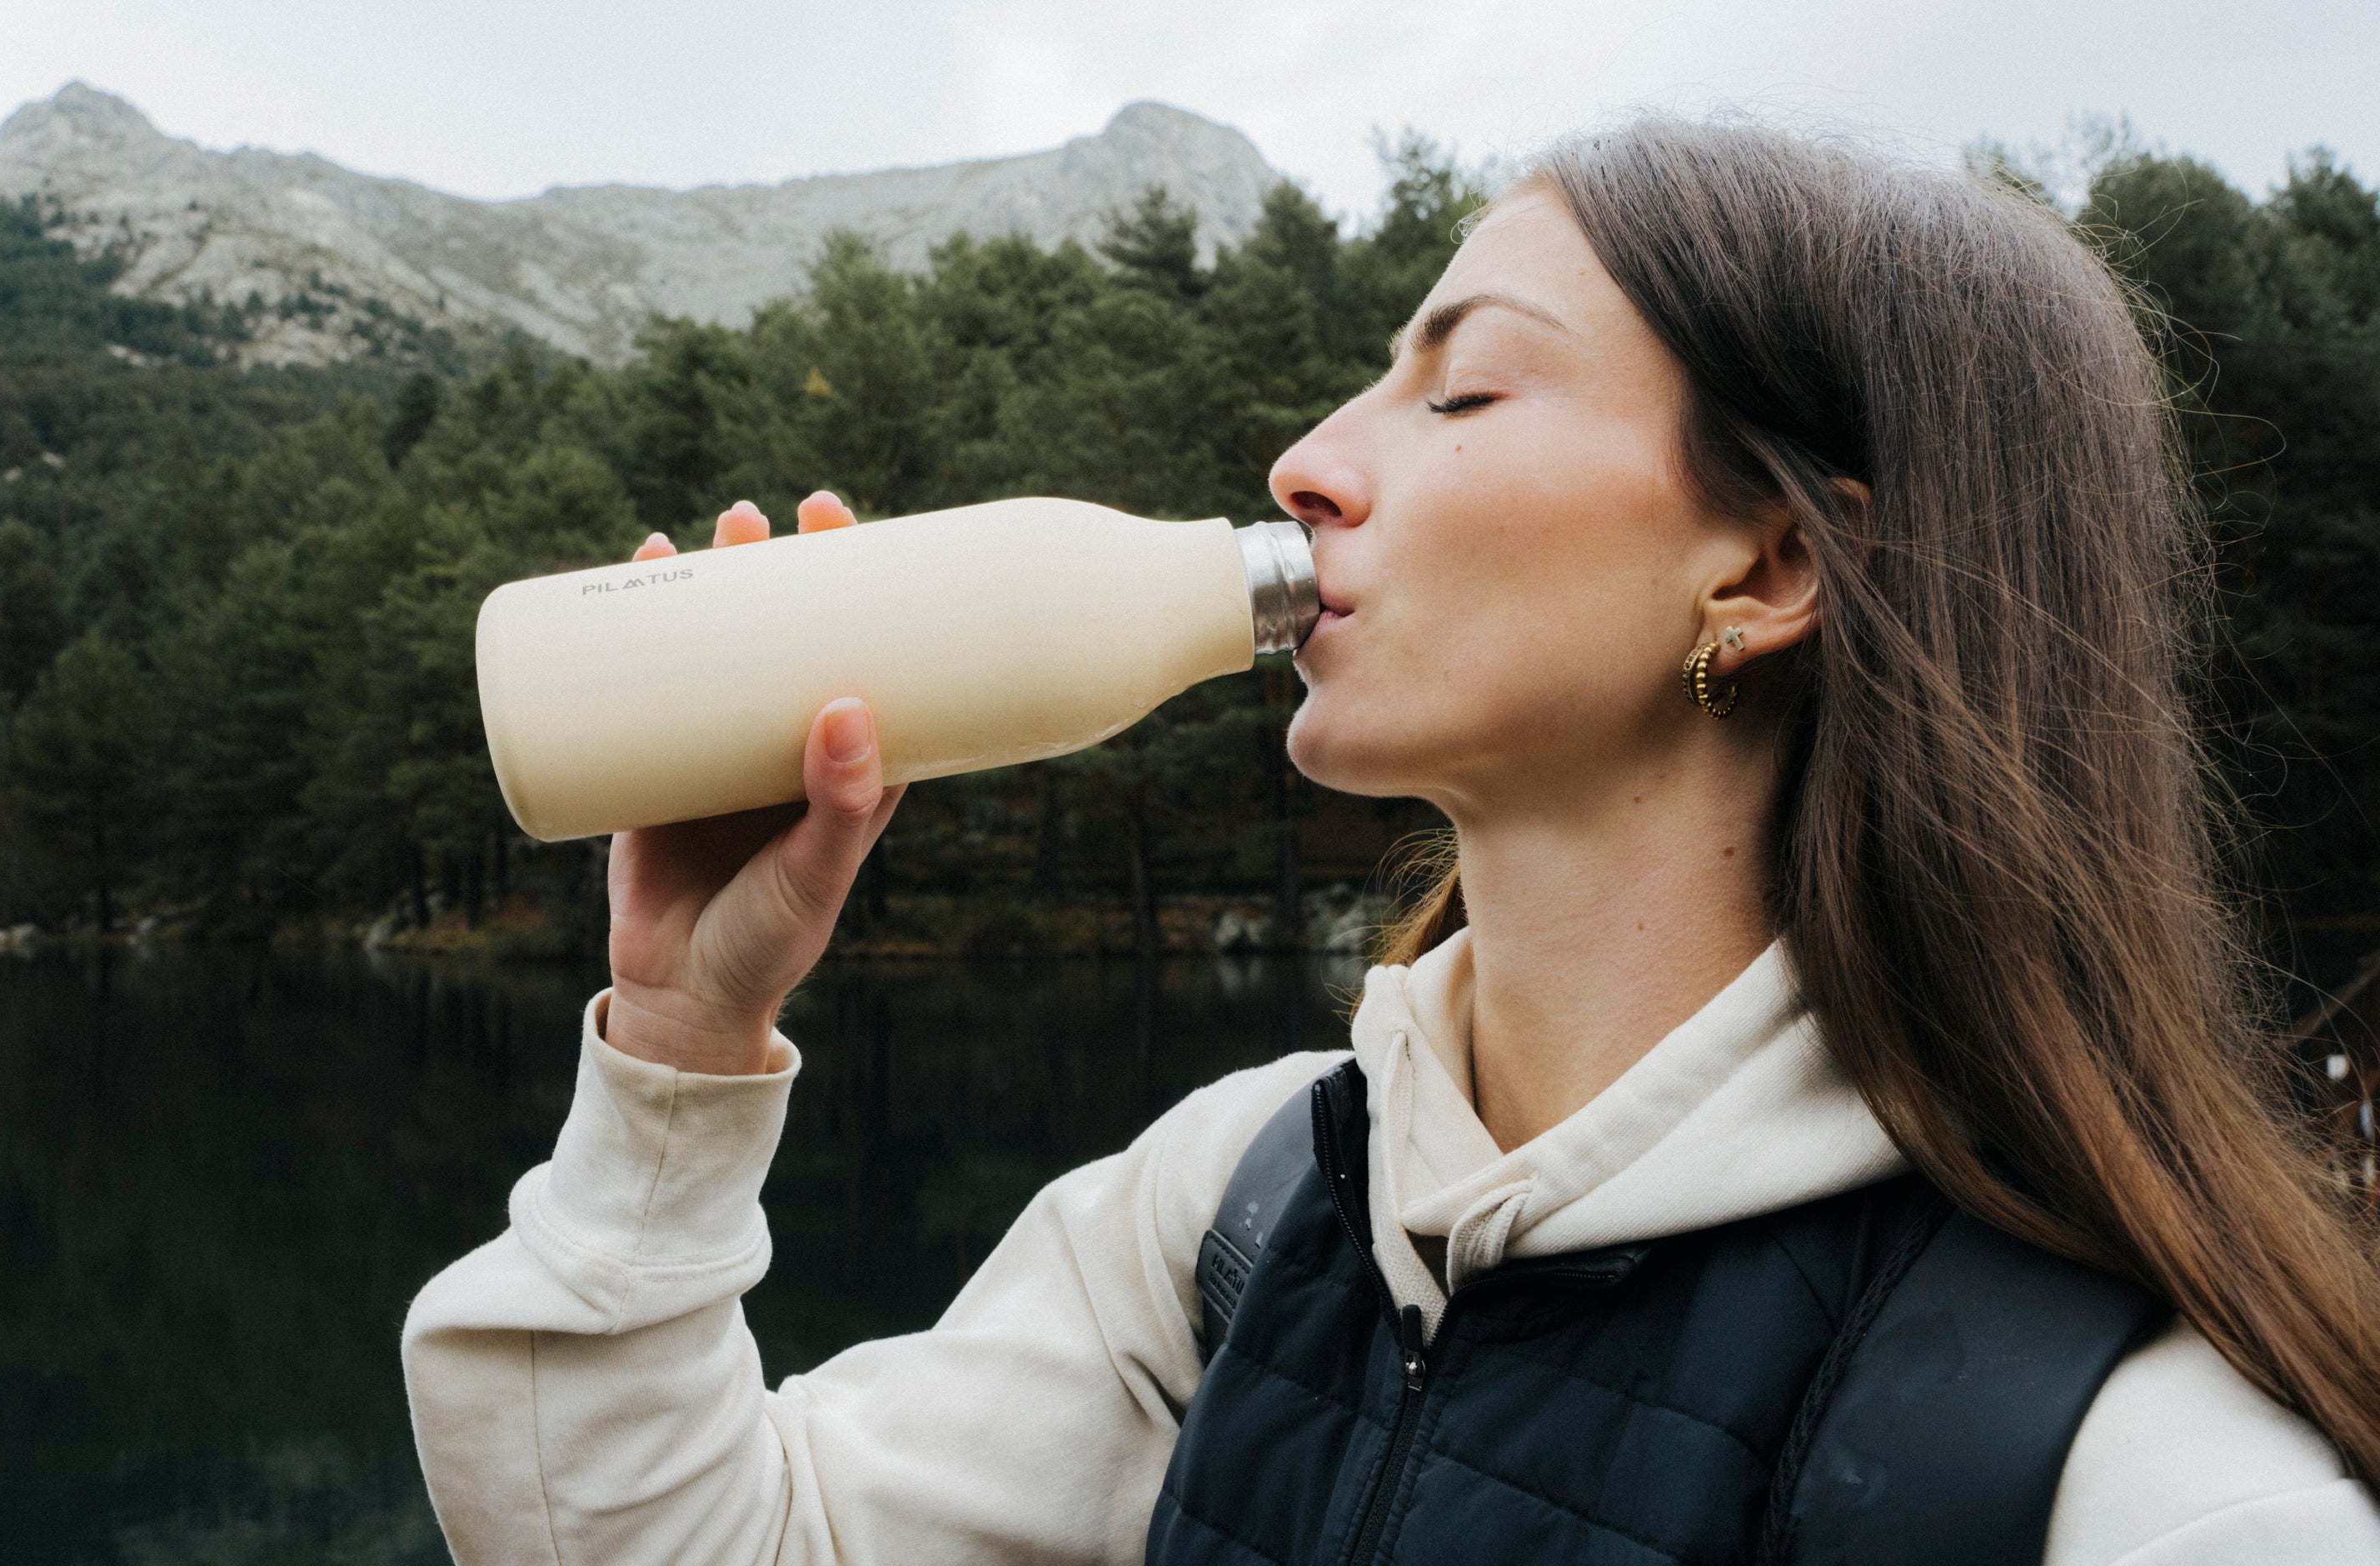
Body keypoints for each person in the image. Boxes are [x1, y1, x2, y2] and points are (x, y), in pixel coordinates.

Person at [402, 119, 2380, 1564]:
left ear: (1771, 563)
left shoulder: (2141, 1480)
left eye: (1468, 386)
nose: (1306, 461)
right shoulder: (1243, 1210)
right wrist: (680, 1042)